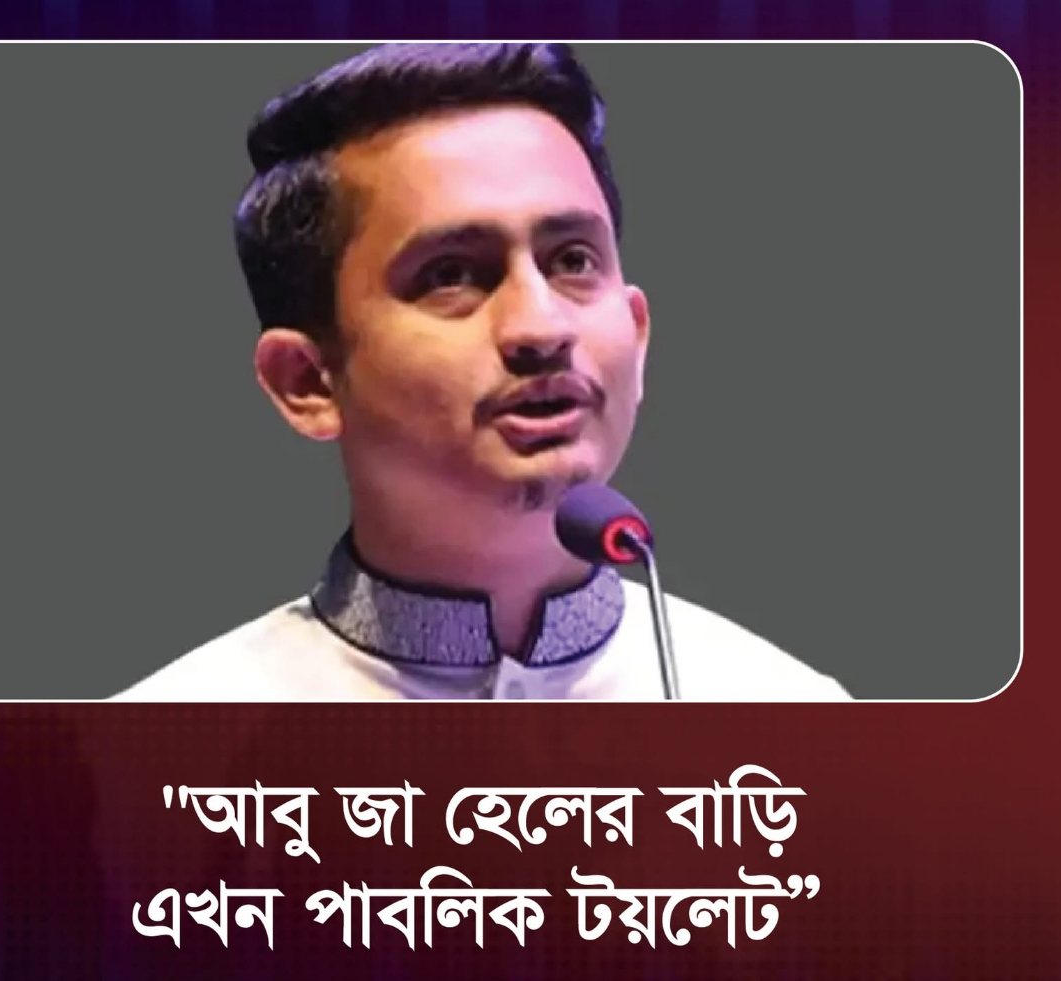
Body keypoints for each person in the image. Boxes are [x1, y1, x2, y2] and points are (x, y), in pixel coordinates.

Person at [115, 43, 849, 701]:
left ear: (637, 332)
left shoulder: (795, 723)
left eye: (572, 260)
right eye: (451, 274)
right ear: (306, 381)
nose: (542, 327)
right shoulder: (159, 755)